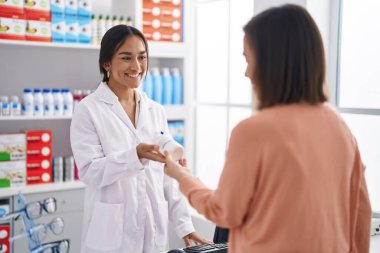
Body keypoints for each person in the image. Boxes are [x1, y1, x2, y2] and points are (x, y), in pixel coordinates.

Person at [163, 4, 372, 253]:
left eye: (248, 59)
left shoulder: (253, 131)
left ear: (272, 63)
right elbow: (361, 212)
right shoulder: (339, 127)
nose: (247, 72)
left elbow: (224, 211)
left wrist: (182, 176)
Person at [70, 25, 208, 253]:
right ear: (107, 63)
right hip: (111, 238)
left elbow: (167, 177)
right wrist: (135, 156)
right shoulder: (88, 110)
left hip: (152, 233)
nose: (136, 66)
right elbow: (90, 172)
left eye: (142, 57)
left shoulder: (155, 110)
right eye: (126, 58)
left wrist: (184, 225)